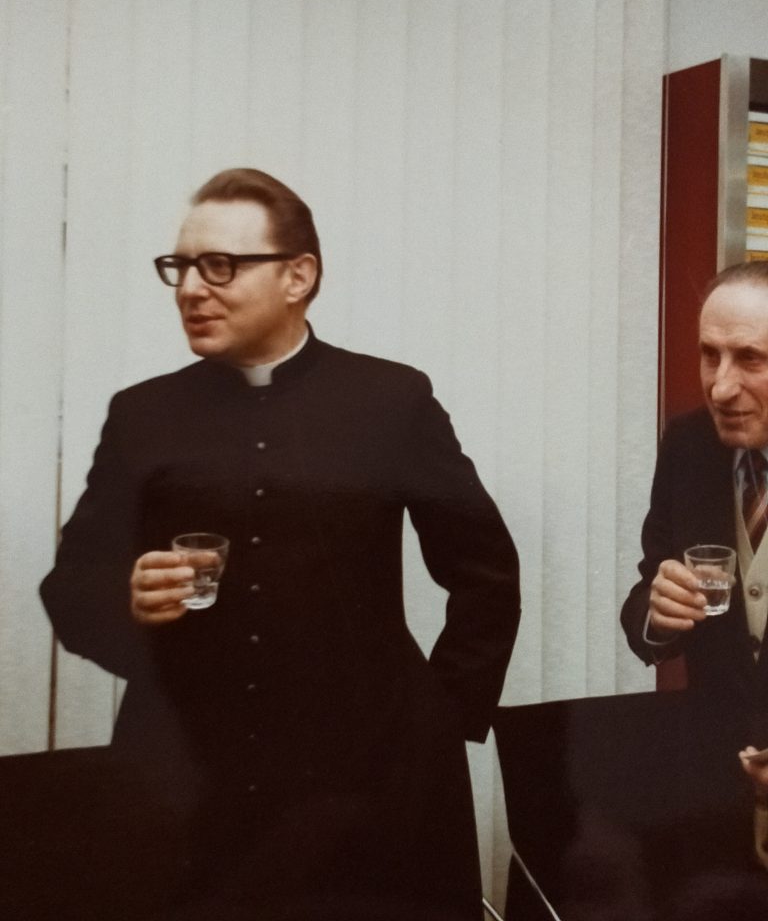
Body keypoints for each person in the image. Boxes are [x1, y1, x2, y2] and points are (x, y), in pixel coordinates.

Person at [40, 168, 521, 921]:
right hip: (190, 783)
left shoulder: (391, 400)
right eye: (179, 267)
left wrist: (437, 721)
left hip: (372, 786)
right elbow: (71, 586)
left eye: (219, 266)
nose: (190, 289)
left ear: (298, 276)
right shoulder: (142, 415)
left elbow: (485, 572)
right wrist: (123, 598)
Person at [621, 260, 768, 873]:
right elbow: (645, 599)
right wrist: (658, 614)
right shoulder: (687, 447)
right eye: (711, 355)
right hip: (715, 790)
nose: (721, 388)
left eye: (750, 359)